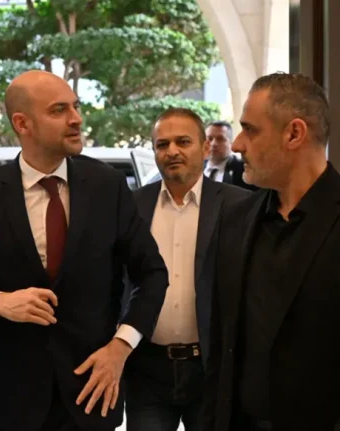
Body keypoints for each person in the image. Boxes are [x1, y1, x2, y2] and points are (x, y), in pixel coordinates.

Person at [0, 70, 169, 431]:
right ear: (22, 123)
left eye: (76, 107)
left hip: (92, 388)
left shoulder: (107, 186)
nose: (76, 118)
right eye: (59, 110)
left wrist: (121, 346)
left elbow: (152, 274)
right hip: (13, 395)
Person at [204, 72, 340, 431]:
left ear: (294, 134)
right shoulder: (235, 219)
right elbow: (222, 344)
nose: (237, 145)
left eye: (250, 130)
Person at [125, 109, 250, 431]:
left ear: (205, 147)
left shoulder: (240, 205)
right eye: (162, 144)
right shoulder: (132, 206)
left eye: (183, 142)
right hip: (146, 369)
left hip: (211, 369)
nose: (172, 151)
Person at [204, 121, 257, 191]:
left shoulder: (244, 170)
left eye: (220, 139)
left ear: (231, 143)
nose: (213, 144)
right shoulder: (196, 168)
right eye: (209, 139)